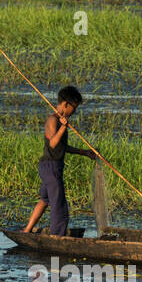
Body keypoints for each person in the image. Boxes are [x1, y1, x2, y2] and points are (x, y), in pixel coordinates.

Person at [23, 85, 98, 236]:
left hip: (54, 166)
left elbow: (63, 147)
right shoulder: (52, 120)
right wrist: (63, 127)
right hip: (50, 167)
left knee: (45, 200)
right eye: (74, 108)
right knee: (59, 207)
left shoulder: (61, 121)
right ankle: (57, 237)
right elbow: (52, 143)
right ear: (65, 104)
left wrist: (84, 152)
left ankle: (27, 230)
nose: (74, 112)